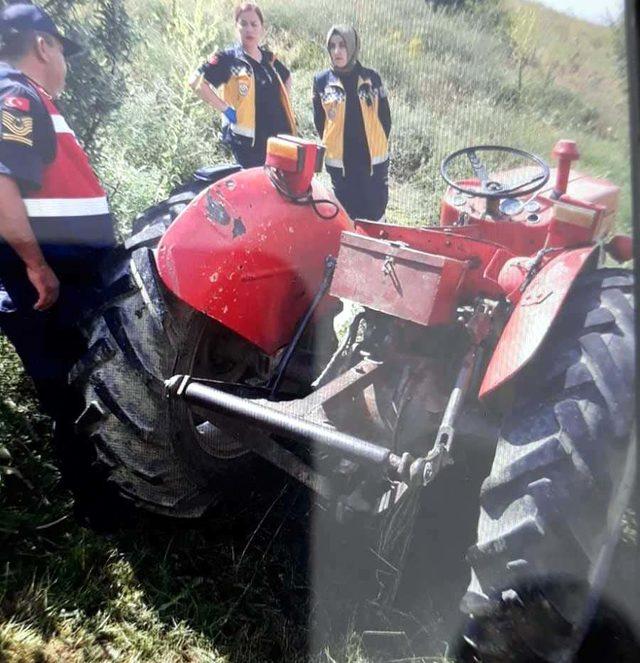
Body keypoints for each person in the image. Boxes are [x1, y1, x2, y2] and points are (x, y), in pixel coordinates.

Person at [0, 3, 116, 417]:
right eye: (63, 51)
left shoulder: (25, 95)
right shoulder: (14, 95)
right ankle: (93, 480)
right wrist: (35, 264)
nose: (65, 63)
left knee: (85, 398)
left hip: (67, 286)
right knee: (78, 405)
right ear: (43, 46)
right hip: (54, 291)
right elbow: (2, 184)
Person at [190, 2, 296, 168]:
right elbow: (196, 82)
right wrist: (225, 109)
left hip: (277, 138)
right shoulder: (228, 59)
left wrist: (284, 104)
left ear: (262, 28)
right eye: (244, 24)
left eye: (254, 24)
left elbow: (287, 77)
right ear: (236, 27)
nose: (249, 29)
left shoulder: (270, 59)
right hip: (248, 144)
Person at [313, 25, 391, 221]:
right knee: (347, 215)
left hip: (371, 160)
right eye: (332, 46)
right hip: (341, 162)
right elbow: (320, 121)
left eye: (342, 45)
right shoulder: (321, 81)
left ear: (353, 46)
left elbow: (385, 119)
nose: (337, 51)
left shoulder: (371, 78)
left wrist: (376, 142)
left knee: (374, 211)